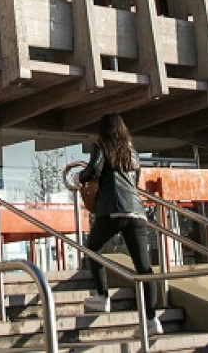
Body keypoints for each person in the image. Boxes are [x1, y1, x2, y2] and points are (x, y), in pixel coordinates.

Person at [78, 113, 161, 336]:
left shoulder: (101, 146)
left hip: (112, 209)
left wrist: (80, 176)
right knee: (144, 269)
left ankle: (102, 296)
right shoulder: (132, 152)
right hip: (136, 212)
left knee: (92, 249)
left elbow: (93, 170)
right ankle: (152, 321)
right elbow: (135, 180)